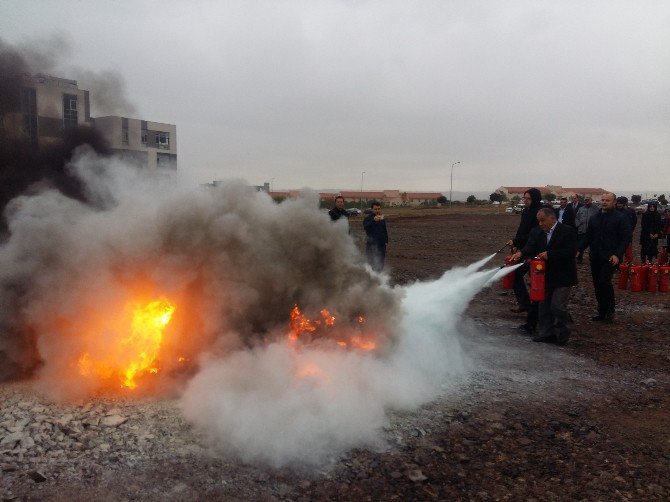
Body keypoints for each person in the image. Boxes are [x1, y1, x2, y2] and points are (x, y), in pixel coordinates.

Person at [511, 208, 577, 345]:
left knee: (557, 306)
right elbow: (531, 247)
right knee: (543, 306)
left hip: (563, 276)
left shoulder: (567, 231)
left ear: (552, 218)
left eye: (543, 220)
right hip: (545, 276)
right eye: (538, 221)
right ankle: (546, 333)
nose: (540, 223)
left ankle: (565, 330)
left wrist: (550, 255)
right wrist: (521, 254)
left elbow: (571, 252)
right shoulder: (537, 232)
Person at [578, 192, 632, 323]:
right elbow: (588, 236)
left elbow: (625, 239)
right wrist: (579, 249)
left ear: (613, 202)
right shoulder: (595, 218)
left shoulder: (620, 218)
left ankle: (610, 310)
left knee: (604, 282)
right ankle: (601, 310)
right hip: (595, 256)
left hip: (610, 257)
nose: (604, 202)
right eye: (602, 200)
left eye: (607, 200)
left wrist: (617, 254)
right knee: (597, 284)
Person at [507, 188, 543, 313]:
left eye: (528, 198)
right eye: (525, 198)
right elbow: (522, 229)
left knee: (537, 280)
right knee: (516, 275)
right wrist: (516, 242)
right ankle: (525, 304)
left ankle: (540, 309)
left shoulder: (540, 213)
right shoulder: (526, 211)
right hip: (524, 249)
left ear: (535, 199)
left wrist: (517, 241)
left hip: (536, 251)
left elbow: (535, 234)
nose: (526, 201)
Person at [363, 201, 388, 272]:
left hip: (381, 245)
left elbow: (384, 230)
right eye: (375, 209)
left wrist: (386, 241)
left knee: (381, 262)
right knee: (372, 263)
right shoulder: (368, 218)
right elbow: (365, 227)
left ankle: (380, 278)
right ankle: (372, 279)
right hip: (371, 245)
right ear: (372, 209)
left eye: (379, 209)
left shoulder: (382, 218)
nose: (377, 210)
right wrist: (373, 220)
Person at [574, 197, 599, 264]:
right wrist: (578, 225)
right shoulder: (581, 208)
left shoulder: (596, 209)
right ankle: (579, 258)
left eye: (588, 200)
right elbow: (577, 218)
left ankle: (593, 259)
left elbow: (599, 218)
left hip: (592, 232)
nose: (587, 201)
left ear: (591, 200)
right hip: (582, 230)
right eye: (585, 200)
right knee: (580, 245)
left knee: (593, 246)